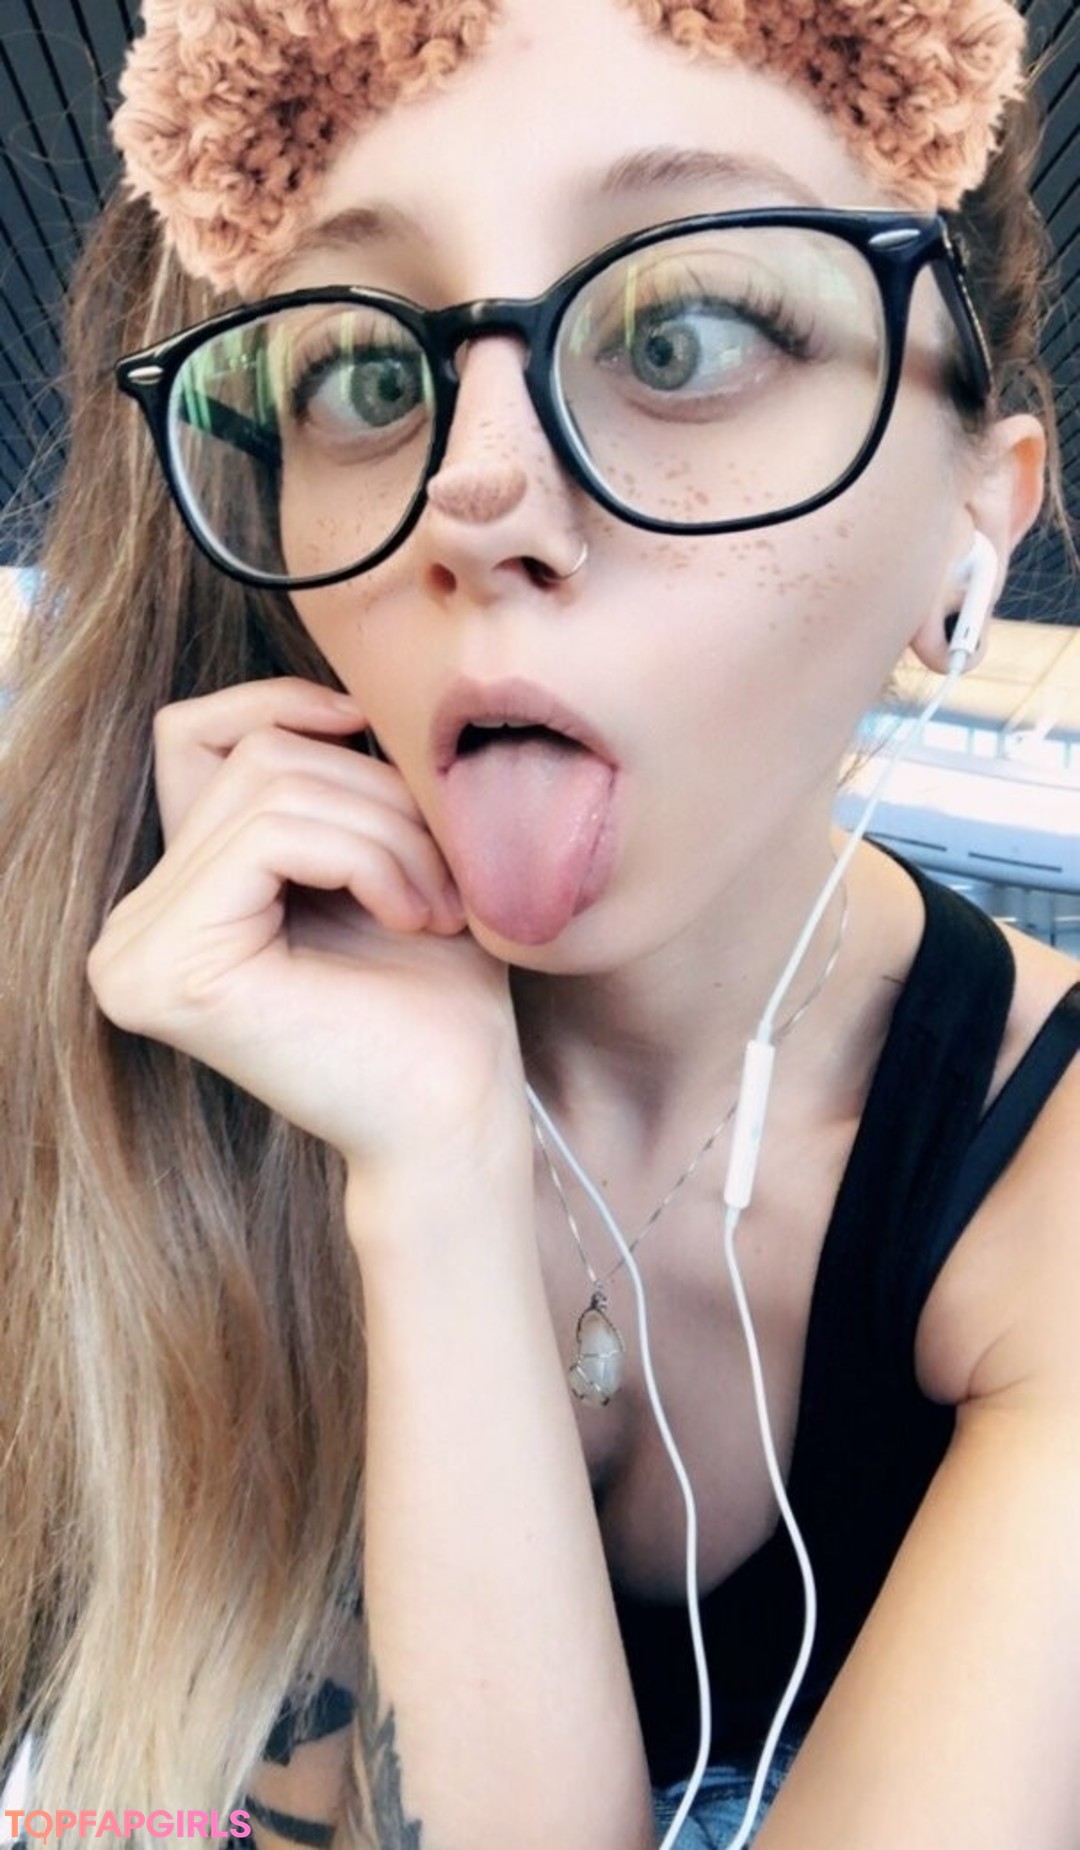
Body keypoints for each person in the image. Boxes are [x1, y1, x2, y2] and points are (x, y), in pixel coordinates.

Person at [1, 0, 1078, 1845]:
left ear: (971, 532)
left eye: (681, 332)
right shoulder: (115, 1077)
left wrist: (438, 1212)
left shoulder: (1041, 1178)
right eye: (364, 371)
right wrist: (424, 1161)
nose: (470, 491)